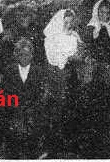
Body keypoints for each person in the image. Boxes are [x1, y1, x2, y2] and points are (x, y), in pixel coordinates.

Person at [42, 9, 85, 152]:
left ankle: (70, 139)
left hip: (72, 74)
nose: (69, 24)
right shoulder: (52, 37)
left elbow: (81, 52)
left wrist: (76, 55)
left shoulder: (74, 35)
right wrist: (69, 57)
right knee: (58, 105)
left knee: (71, 105)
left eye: (71, 21)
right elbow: (54, 58)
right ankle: (55, 140)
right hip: (57, 74)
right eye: (65, 22)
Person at [0, 37, 47, 159]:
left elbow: (43, 97)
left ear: (32, 55)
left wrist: (32, 114)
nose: (24, 57)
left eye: (27, 54)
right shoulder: (8, 71)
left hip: (33, 120)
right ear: (16, 55)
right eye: (21, 54)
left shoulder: (39, 72)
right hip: (13, 120)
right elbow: (3, 97)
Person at [85, 0, 110, 82]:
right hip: (95, 60)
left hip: (109, 60)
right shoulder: (92, 26)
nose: (105, 16)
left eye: (107, 13)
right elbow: (88, 42)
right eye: (102, 12)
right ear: (97, 12)